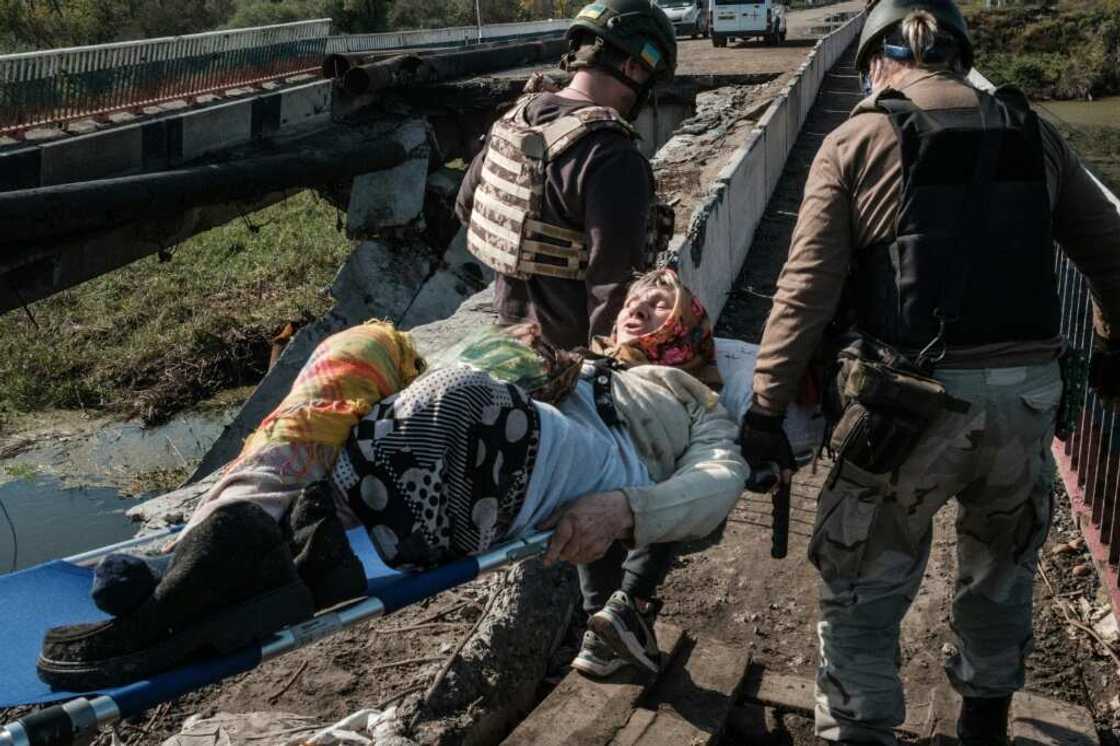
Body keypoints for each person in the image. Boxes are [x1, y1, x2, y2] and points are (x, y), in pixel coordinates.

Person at [38, 269, 748, 691]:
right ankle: (213, 548)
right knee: (362, 344)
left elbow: (723, 478)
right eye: (640, 291)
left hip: (586, 458)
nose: (639, 303)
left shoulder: (691, 398)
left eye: (663, 303)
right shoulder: (582, 354)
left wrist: (624, 510)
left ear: (687, 336)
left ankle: (255, 563)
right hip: (507, 429)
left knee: (459, 400)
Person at [737, 1, 1120, 744]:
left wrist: (764, 409)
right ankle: (985, 723)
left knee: (862, 582)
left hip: (909, 408)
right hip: (1028, 402)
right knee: (1003, 568)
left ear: (881, 56)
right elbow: (1109, 255)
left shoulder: (858, 137)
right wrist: (1108, 350)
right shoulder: (1031, 129)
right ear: (956, 49)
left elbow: (805, 291)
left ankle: (860, 729)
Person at [454, 0, 678, 351]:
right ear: (635, 68)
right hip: (567, 365)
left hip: (507, 345)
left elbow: (468, 207)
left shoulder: (515, 119)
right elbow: (614, 289)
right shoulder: (612, 155)